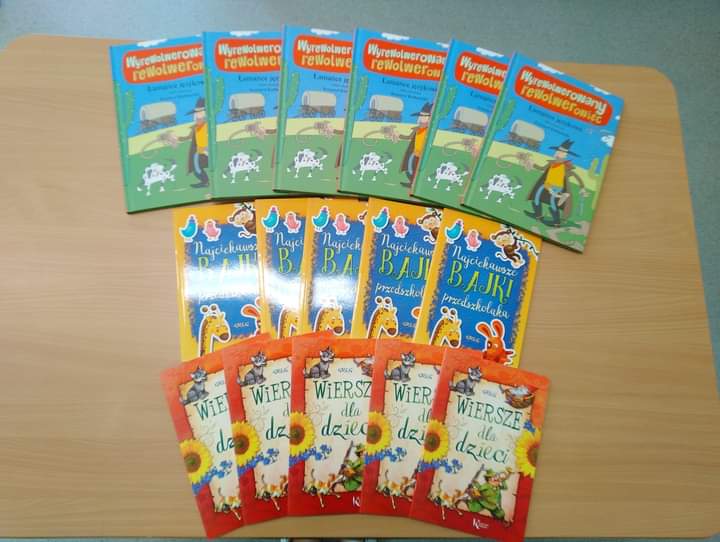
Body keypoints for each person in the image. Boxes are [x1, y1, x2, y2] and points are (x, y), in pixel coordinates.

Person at [526, 139, 587, 226]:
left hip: (557, 187)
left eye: (561, 153)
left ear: (565, 155)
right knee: (536, 197)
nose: (557, 153)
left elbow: (576, 176)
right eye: (557, 151)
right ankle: (538, 215)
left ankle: (556, 222)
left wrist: (582, 188)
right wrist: (532, 164)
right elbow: (541, 169)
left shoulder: (566, 166)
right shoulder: (551, 163)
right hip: (546, 184)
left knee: (553, 203)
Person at [169, 97, 209, 188]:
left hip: (205, 149)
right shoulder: (195, 127)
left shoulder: (207, 125)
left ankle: (206, 182)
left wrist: (206, 149)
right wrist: (177, 138)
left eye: (200, 114)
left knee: (198, 167)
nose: (197, 117)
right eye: (196, 114)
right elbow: (188, 137)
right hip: (198, 150)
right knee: (196, 168)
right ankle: (205, 182)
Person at [400, 102, 432, 187]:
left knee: (417, 169)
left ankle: (414, 184)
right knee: (409, 167)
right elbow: (408, 137)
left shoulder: (429, 131)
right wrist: (397, 135)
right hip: (414, 152)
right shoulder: (417, 129)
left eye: (424, 117)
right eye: (420, 116)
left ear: (429, 118)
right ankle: (411, 182)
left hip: (422, 154)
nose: (421, 119)